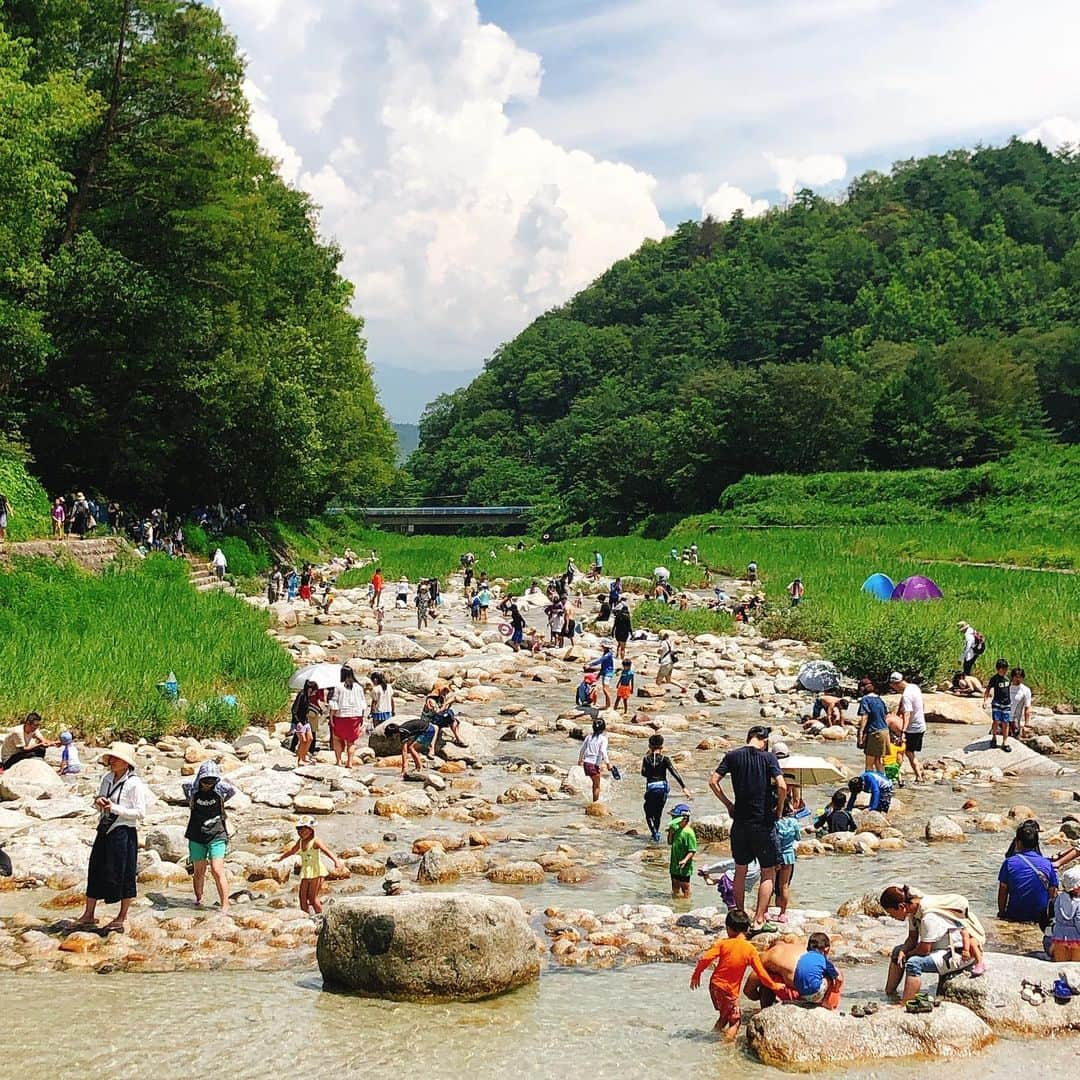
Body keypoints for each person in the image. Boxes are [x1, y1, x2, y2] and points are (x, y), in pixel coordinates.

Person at [709, 725, 786, 933]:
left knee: (740, 870)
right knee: (767, 871)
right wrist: (778, 810)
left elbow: (713, 781)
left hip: (740, 822)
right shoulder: (769, 758)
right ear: (765, 740)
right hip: (763, 822)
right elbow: (782, 786)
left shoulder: (732, 756)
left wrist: (728, 804)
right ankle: (760, 919)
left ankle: (740, 917)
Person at [75, 743, 148, 932]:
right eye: (111, 759)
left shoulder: (134, 784)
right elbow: (100, 800)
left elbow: (140, 813)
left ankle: (122, 916)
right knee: (95, 868)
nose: (112, 762)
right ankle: (88, 914)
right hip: (105, 829)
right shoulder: (107, 778)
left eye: (116, 759)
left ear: (126, 763)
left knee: (124, 873)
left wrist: (114, 808)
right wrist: (98, 801)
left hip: (123, 832)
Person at [689, 907, 784, 1040]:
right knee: (735, 1021)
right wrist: (774, 986)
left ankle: (712, 1036)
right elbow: (761, 973)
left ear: (728, 929)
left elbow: (705, 958)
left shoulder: (723, 944)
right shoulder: (749, 950)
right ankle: (725, 1050)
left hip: (715, 986)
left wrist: (697, 974)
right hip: (729, 990)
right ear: (747, 929)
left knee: (724, 1016)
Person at [881, 885, 987, 1001]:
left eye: (891, 913)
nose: (892, 917)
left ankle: (905, 1004)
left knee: (913, 963)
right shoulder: (913, 912)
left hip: (958, 952)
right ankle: (889, 995)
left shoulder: (928, 917)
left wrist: (907, 954)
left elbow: (924, 950)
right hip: (940, 948)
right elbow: (912, 938)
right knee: (897, 952)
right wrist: (903, 950)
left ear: (901, 907)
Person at [182, 761, 236, 914]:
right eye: (205, 780)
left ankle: (225, 904)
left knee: (217, 870)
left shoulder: (221, 789)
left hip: (217, 833)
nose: (208, 784)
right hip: (196, 834)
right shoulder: (192, 790)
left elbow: (232, 790)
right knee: (199, 871)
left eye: (211, 780)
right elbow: (185, 787)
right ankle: (199, 899)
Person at [276, 817, 342, 915]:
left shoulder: (315, 841)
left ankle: (320, 916)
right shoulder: (301, 841)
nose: (301, 833)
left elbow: (326, 851)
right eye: (299, 830)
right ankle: (306, 917)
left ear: (311, 830)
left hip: (317, 872)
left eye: (304, 830)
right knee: (302, 897)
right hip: (306, 872)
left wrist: (336, 861)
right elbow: (293, 850)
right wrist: (281, 857)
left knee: (312, 898)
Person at [998, 819, 1057, 925]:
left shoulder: (1009, 863)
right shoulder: (1047, 864)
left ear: (1018, 842)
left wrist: (1001, 913)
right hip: (1040, 917)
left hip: (1015, 915)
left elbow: (1003, 891)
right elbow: (1052, 891)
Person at [642, 734, 690, 842]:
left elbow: (643, 773)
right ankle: (656, 835)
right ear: (662, 747)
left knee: (648, 812)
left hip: (651, 788)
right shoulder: (665, 759)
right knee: (658, 813)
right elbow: (674, 773)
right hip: (663, 788)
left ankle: (654, 833)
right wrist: (684, 787)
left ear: (649, 746)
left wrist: (651, 771)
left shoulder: (646, 759)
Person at [890, 671, 926, 782]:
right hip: (921, 725)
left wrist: (904, 732)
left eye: (893, 686)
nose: (894, 689)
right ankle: (911, 775)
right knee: (908, 751)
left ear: (896, 684)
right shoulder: (913, 687)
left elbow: (907, 713)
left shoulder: (906, 695)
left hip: (912, 728)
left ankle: (917, 776)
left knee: (906, 752)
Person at [328, 666, 367, 768]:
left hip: (341, 716)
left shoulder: (339, 686)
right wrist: (362, 718)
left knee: (337, 738)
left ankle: (339, 761)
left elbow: (334, 704)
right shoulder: (359, 687)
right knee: (351, 741)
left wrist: (331, 718)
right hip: (355, 716)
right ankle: (349, 763)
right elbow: (363, 704)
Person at [793, 933, 843, 1008]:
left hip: (800, 993)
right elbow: (839, 979)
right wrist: (836, 989)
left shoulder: (803, 957)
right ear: (826, 948)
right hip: (815, 994)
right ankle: (826, 1002)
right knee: (832, 976)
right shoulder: (823, 959)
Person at [774, 802, 803, 923]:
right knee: (784, 886)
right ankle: (782, 913)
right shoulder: (794, 822)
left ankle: (766, 911)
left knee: (770, 884)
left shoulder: (775, 823)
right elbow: (798, 838)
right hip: (788, 856)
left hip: (775, 856)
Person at [855, 678, 890, 772]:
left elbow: (864, 716)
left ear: (862, 688)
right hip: (884, 731)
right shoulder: (880, 699)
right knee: (878, 761)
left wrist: (861, 733)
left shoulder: (865, 700)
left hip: (875, 732)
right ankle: (884, 783)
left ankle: (869, 784)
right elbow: (885, 716)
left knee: (869, 764)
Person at [1049, 866, 1080, 962]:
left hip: (1059, 939)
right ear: (1077, 887)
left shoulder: (1059, 898)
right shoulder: (1079, 903)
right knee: (1076, 969)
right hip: (1077, 941)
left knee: (1060, 967)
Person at [578, 717, 611, 803]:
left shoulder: (589, 737)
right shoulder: (603, 739)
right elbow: (603, 751)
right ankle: (595, 803)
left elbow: (582, 749)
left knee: (594, 783)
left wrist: (580, 760)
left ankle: (593, 800)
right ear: (604, 728)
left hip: (586, 763)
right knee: (597, 786)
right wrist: (608, 763)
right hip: (593, 765)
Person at [668, 803, 697, 898]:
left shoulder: (689, 833)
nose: (673, 820)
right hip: (674, 864)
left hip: (685, 866)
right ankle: (676, 900)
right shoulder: (676, 829)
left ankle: (686, 902)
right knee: (674, 884)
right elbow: (669, 842)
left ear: (684, 819)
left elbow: (692, 850)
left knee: (685, 886)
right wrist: (671, 833)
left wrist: (685, 860)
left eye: (675, 818)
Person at [983, 658, 1013, 751]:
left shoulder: (1008, 678)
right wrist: (985, 700)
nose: (1005, 671)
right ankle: (994, 738)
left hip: (1007, 703)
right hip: (997, 703)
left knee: (1006, 723)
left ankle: (1005, 742)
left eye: (1006, 669)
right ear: (998, 669)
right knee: (996, 721)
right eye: (1003, 669)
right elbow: (988, 689)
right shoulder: (994, 679)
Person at [290, 680, 320, 765]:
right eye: (314, 691)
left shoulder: (307, 696)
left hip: (305, 721)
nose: (315, 693)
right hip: (298, 722)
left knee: (310, 738)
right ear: (310, 689)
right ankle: (300, 759)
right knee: (303, 740)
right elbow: (294, 710)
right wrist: (298, 722)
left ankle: (303, 756)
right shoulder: (301, 695)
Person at [586, 641, 616, 709]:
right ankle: (607, 705)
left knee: (605, 689)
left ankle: (608, 705)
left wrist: (590, 664)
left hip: (608, 673)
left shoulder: (608, 654)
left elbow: (600, 660)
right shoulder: (606, 653)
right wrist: (599, 674)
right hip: (605, 672)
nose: (602, 647)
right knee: (605, 689)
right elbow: (603, 665)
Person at [1009, 667, 1032, 741]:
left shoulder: (1025, 690)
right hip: (1003, 718)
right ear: (1012, 677)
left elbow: (1027, 708)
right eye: (1016, 677)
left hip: (1015, 720)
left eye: (1020, 677)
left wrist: (1026, 723)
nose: (1018, 679)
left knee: (1014, 741)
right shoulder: (1006, 687)